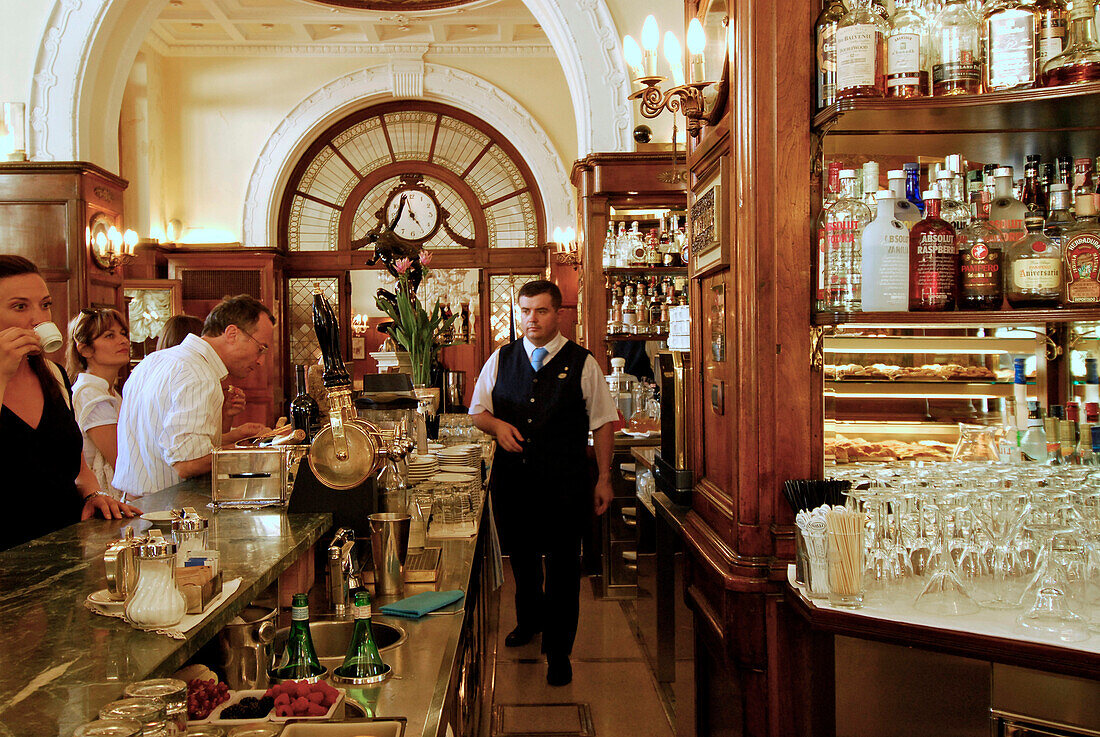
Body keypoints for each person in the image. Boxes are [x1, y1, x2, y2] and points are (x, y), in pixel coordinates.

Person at [469, 279, 617, 686]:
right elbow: (477, 410)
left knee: (565, 566)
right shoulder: (501, 358)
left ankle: (559, 651)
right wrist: (497, 425)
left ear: (558, 314)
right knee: (523, 559)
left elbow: (604, 423)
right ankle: (529, 621)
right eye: (525, 311)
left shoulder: (583, 362)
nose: (531, 319)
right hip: (514, 482)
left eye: (541, 311)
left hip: (567, 483)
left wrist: (604, 478)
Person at [0, 256, 140, 550]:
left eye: (45, 304)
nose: (39, 318)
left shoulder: (53, 374)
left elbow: (73, 461)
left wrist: (91, 493)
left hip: (62, 543)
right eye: (20, 306)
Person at [113, 295, 273, 498]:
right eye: (261, 348)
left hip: (134, 503)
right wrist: (251, 452)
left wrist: (236, 437)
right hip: (168, 512)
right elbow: (187, 464)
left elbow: (168, 442)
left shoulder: (154, 360)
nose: (260, 360)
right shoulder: (199, 374)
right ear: (232, 333)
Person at [66, 307, 131, 501]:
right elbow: (121, 460)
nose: (123, 341)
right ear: (85, 349)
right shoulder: (91, 394)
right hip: (102, 498)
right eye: (109, 336)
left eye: (123, 333)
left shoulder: (108, 391)